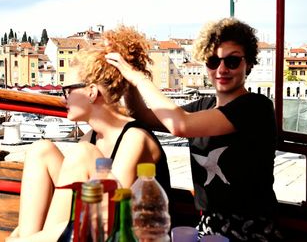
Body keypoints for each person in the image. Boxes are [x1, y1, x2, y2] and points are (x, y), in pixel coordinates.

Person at [106, 17, 283, 241]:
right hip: (208, 224)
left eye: (232, 61)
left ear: (248, 64)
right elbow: (142, 115)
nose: (221, 69)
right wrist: (129, 80)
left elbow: (181, 125)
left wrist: (139, 79)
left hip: (252, 230)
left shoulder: (256, 107)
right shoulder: (203, 106)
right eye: (212, 61)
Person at [7, 26, 171, 241]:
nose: (62, 99)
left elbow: (108, 214)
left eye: (66, 91)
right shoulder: (91, 137)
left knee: (82, 153)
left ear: (92, 92)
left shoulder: (134, 138)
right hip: (94, 229)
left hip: (125, 233)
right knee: (41, 150)